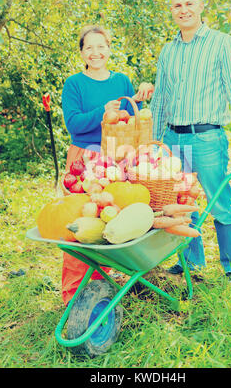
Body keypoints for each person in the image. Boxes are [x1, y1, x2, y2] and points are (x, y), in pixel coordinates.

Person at [150, 0, 231, 281]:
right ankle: (191, 263)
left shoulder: (223, 44)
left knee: (220, 204)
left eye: (188, 4)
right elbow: (160, 101)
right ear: (172, 11)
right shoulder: (168, 51)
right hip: (172, 139)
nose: (183, 10)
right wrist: (156, 145)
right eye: (176, 5)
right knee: (180, 206)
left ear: (201, 6)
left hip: (207, 138)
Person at [61, 24, 152, 306]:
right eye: (89, 47)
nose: (96, 52)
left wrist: (139, 96)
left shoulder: (121, 80)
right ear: (82, 52)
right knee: (79, 225)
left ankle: (101, 286)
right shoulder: (74, 84)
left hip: (115, 159)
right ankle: (74, 293)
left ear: (109, 49)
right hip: (84, 160)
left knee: (110, 222)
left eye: (101, 46)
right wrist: (103, 111)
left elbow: (129, 118)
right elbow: (73, 123)